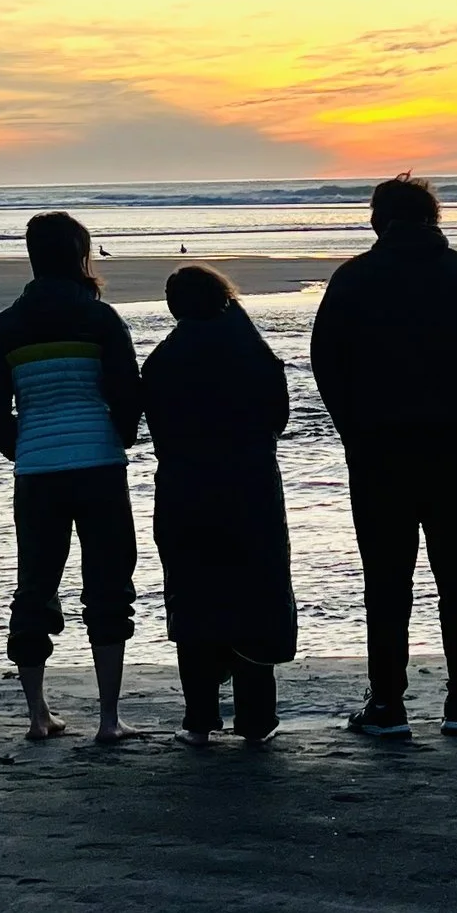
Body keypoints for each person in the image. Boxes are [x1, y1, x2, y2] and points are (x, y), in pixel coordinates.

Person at [309, 174, 457, 739]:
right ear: (431, 218)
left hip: (378, 448)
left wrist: (351, 427)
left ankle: (389, 703)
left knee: (387, 582)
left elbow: (326, 360)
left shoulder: (355, 277)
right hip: (450, 446)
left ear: (379, 220)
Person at [0, 210, 144, 743]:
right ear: (80, 255)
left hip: (37, 473)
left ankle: (38, 715)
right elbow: (127, 393)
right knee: (109, 588)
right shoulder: (101, 319)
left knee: (35, 587)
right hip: (98, 466)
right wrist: (120, 436)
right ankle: (109, 719)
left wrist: (22, 449)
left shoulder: (6, 325)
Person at [140, 265, 297, 743]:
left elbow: (156, 428)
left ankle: (200, 717)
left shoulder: (162, 360)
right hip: (250, 487)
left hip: (185, 488)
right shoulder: (253, 352)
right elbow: (279, 418)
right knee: (256, 597)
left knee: (193, 596)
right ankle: (256, 717)